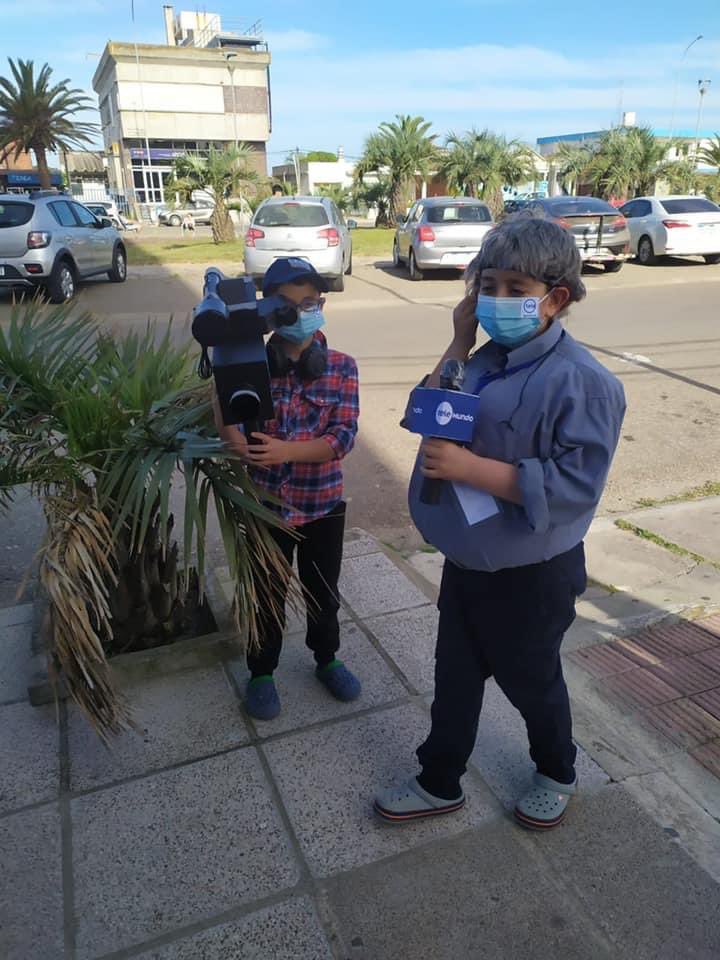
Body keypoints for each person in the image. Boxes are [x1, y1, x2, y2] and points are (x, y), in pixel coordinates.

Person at [374, 215, 626, 830]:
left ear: (555, 298)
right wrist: (459, 343)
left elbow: (575, 487)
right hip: (468, 563)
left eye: (516, 289)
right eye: (488, 285)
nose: (498, 300)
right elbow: (424, 414)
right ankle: (440, 780)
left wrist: (472, 467)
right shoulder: (484, 359)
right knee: (454, 678)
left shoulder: (584, 383)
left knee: (532, 681)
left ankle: (557, 769)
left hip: (532, 574)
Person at [214, 257, 361, 721]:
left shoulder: (342, 367)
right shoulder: (249, 363)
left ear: (323, 305)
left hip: (323, 506)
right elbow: (229, 424)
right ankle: (261, 672)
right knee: (266, 592)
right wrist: (232, 434)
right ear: (268, 310)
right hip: (265, 507)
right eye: (288, 305)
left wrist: (286, 452)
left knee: (323, 591)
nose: (302, 312)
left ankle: (327, 658)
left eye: (312, 302)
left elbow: (342, 438)